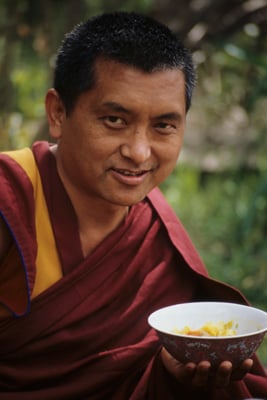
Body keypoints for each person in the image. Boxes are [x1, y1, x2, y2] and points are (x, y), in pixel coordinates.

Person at [0, 11, 266, 400]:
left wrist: (171, 374)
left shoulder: (154, 230)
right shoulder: (11, 199)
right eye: (114, 119)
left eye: (163, 126)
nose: (139, 152)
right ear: (58, 113)